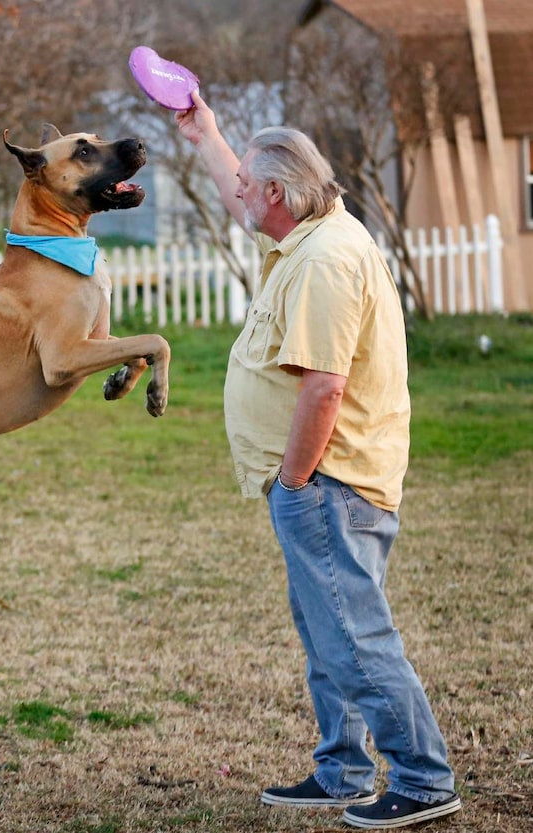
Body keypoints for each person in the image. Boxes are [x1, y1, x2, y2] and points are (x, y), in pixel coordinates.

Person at [175, 90, 461, 830]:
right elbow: (239, 182)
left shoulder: (325, 261)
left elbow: (325, 388)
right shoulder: (302, 235)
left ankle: (426, 780)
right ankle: (343, 770)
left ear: (276, 193)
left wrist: (296, 481)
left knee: (355, 633)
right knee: (327, 629)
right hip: (319, 482)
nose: (236, 190)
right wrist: (204, 132)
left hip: (331, 481)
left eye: (246, 185)